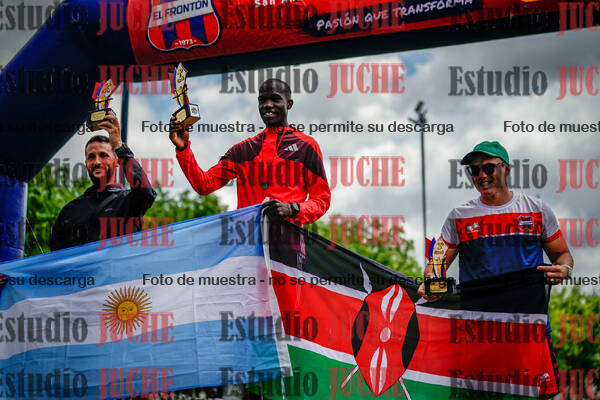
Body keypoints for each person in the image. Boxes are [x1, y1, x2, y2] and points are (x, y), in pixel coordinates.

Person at [418, 141, 573, 399]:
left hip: (528, 331)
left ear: (506, 169)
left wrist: (564, 269)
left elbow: (563, 255)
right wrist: (432, 281)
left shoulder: (537, 210)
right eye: (474, 170)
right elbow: (435, 266)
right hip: (478, 335)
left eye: (488, 168)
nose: (481, 175)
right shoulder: (458, 216)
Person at [168, 78, 331, 224]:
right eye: (262, 100)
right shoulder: (242, 150)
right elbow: (204, 184)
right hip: (247, 243)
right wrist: (183, 148)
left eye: (275, 99)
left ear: (289, 104)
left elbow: (321, 200)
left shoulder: (306, 146)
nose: (267, 105)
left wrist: (292, 209)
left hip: (288, 242)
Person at [50, 112, 157, 251]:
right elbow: (56, 255)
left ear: (117, 161)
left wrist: (119, 146)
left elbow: (146, 193)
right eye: (91, 157)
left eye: (103, 155)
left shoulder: (129, 202)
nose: (97, 162)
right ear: (86, 163)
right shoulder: (69, 210)